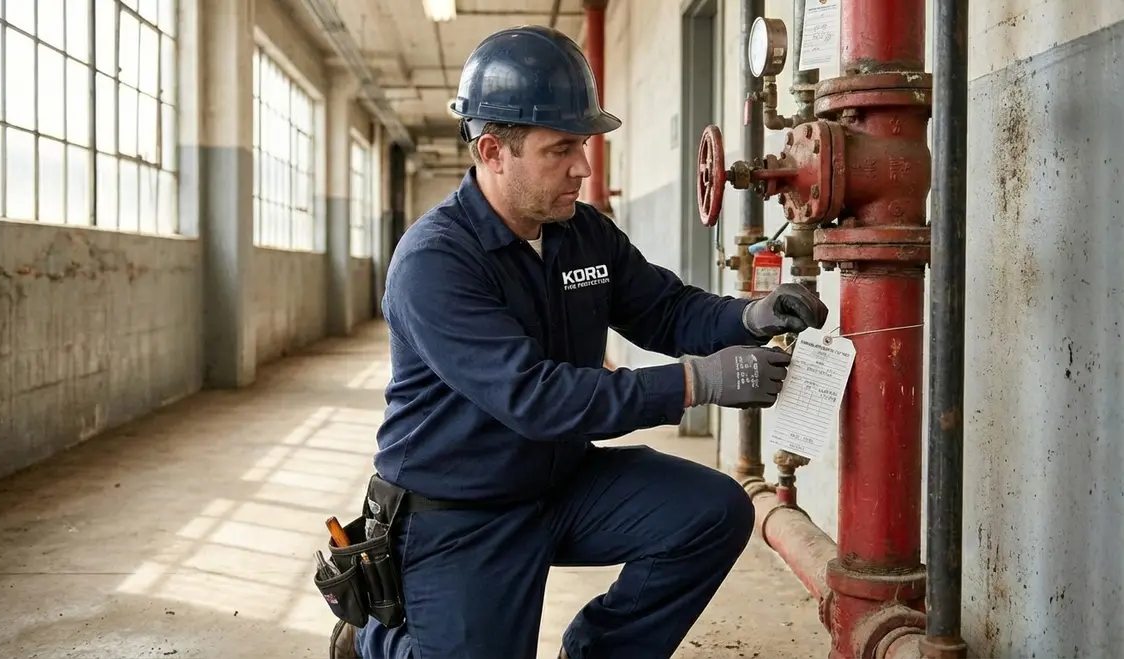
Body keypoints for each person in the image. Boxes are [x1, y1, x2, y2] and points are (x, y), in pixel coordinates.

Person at [333, 25, 828, 659]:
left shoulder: (581, 232)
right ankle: (374, 639)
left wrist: (749, 316)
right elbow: (535, 398)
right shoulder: (435, 262)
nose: (583, 167)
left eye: (585, 144)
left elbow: (666, 309)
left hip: (562, 482)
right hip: (461, 510)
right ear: (492, 150)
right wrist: (697, 382)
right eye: (560, 148)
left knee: (714, 511)